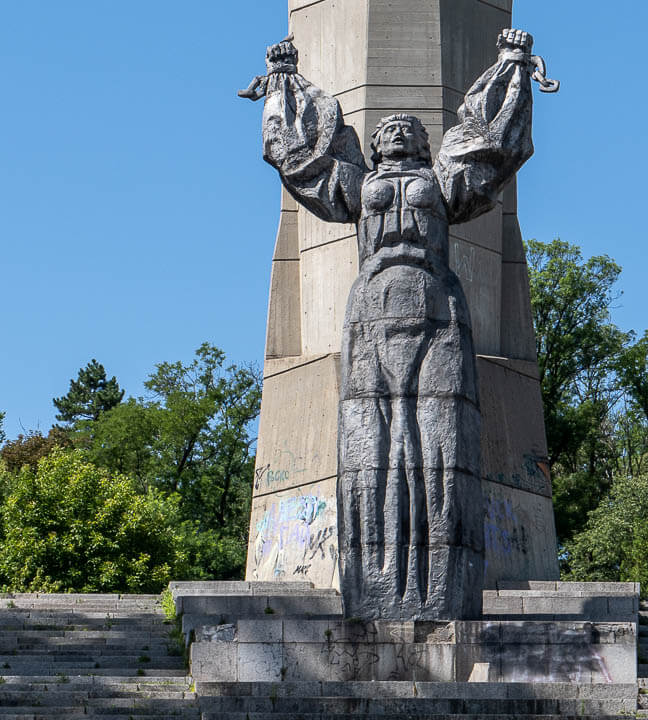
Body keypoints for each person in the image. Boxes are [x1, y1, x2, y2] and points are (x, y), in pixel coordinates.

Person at [245, 29, 543, 620]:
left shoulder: (441, 181)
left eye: (410, 128)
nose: (399, 128)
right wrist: (284, 81)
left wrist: (512, 65)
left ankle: (438, 586)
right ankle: (377, 582)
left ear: (428, 143)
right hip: (373, 308)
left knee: (439, 437)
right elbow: (304, 161)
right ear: (373, 146)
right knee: (373, 438)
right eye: (388, 129)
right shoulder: (360, 186)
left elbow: (491, 150)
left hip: (437, 307)